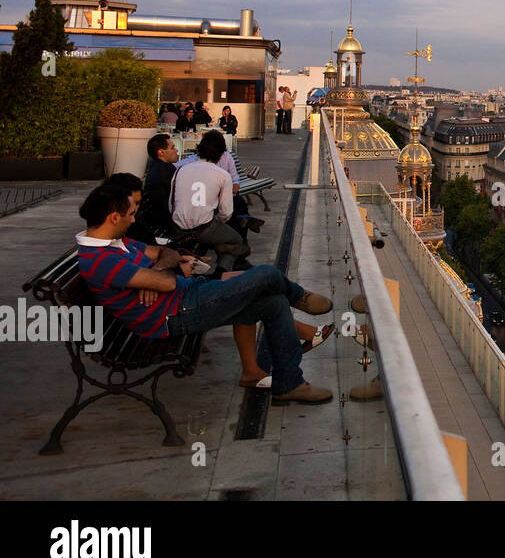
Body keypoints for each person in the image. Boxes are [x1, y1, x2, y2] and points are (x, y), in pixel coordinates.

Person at [75, 184, 333, 403]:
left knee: (274, 302)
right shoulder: (100, 260)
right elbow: (167, 283)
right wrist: (157, 276)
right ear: (113, 218)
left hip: (188, 296)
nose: (134, 220)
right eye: (130, 215)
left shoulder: (116, 241)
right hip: (178, 314)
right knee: (266, 274)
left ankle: (290, 384)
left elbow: (167, 254)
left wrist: (154, 271)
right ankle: (300, 297)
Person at [171, 130, 250, 274]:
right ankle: (221, 271)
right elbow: (226, 213)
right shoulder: (222, 175)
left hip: (178, 226)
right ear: (221, 153)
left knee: (219, 235)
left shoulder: (181, 170)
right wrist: (218, 221)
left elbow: (172, 204)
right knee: (235, 240)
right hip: (204, 227)